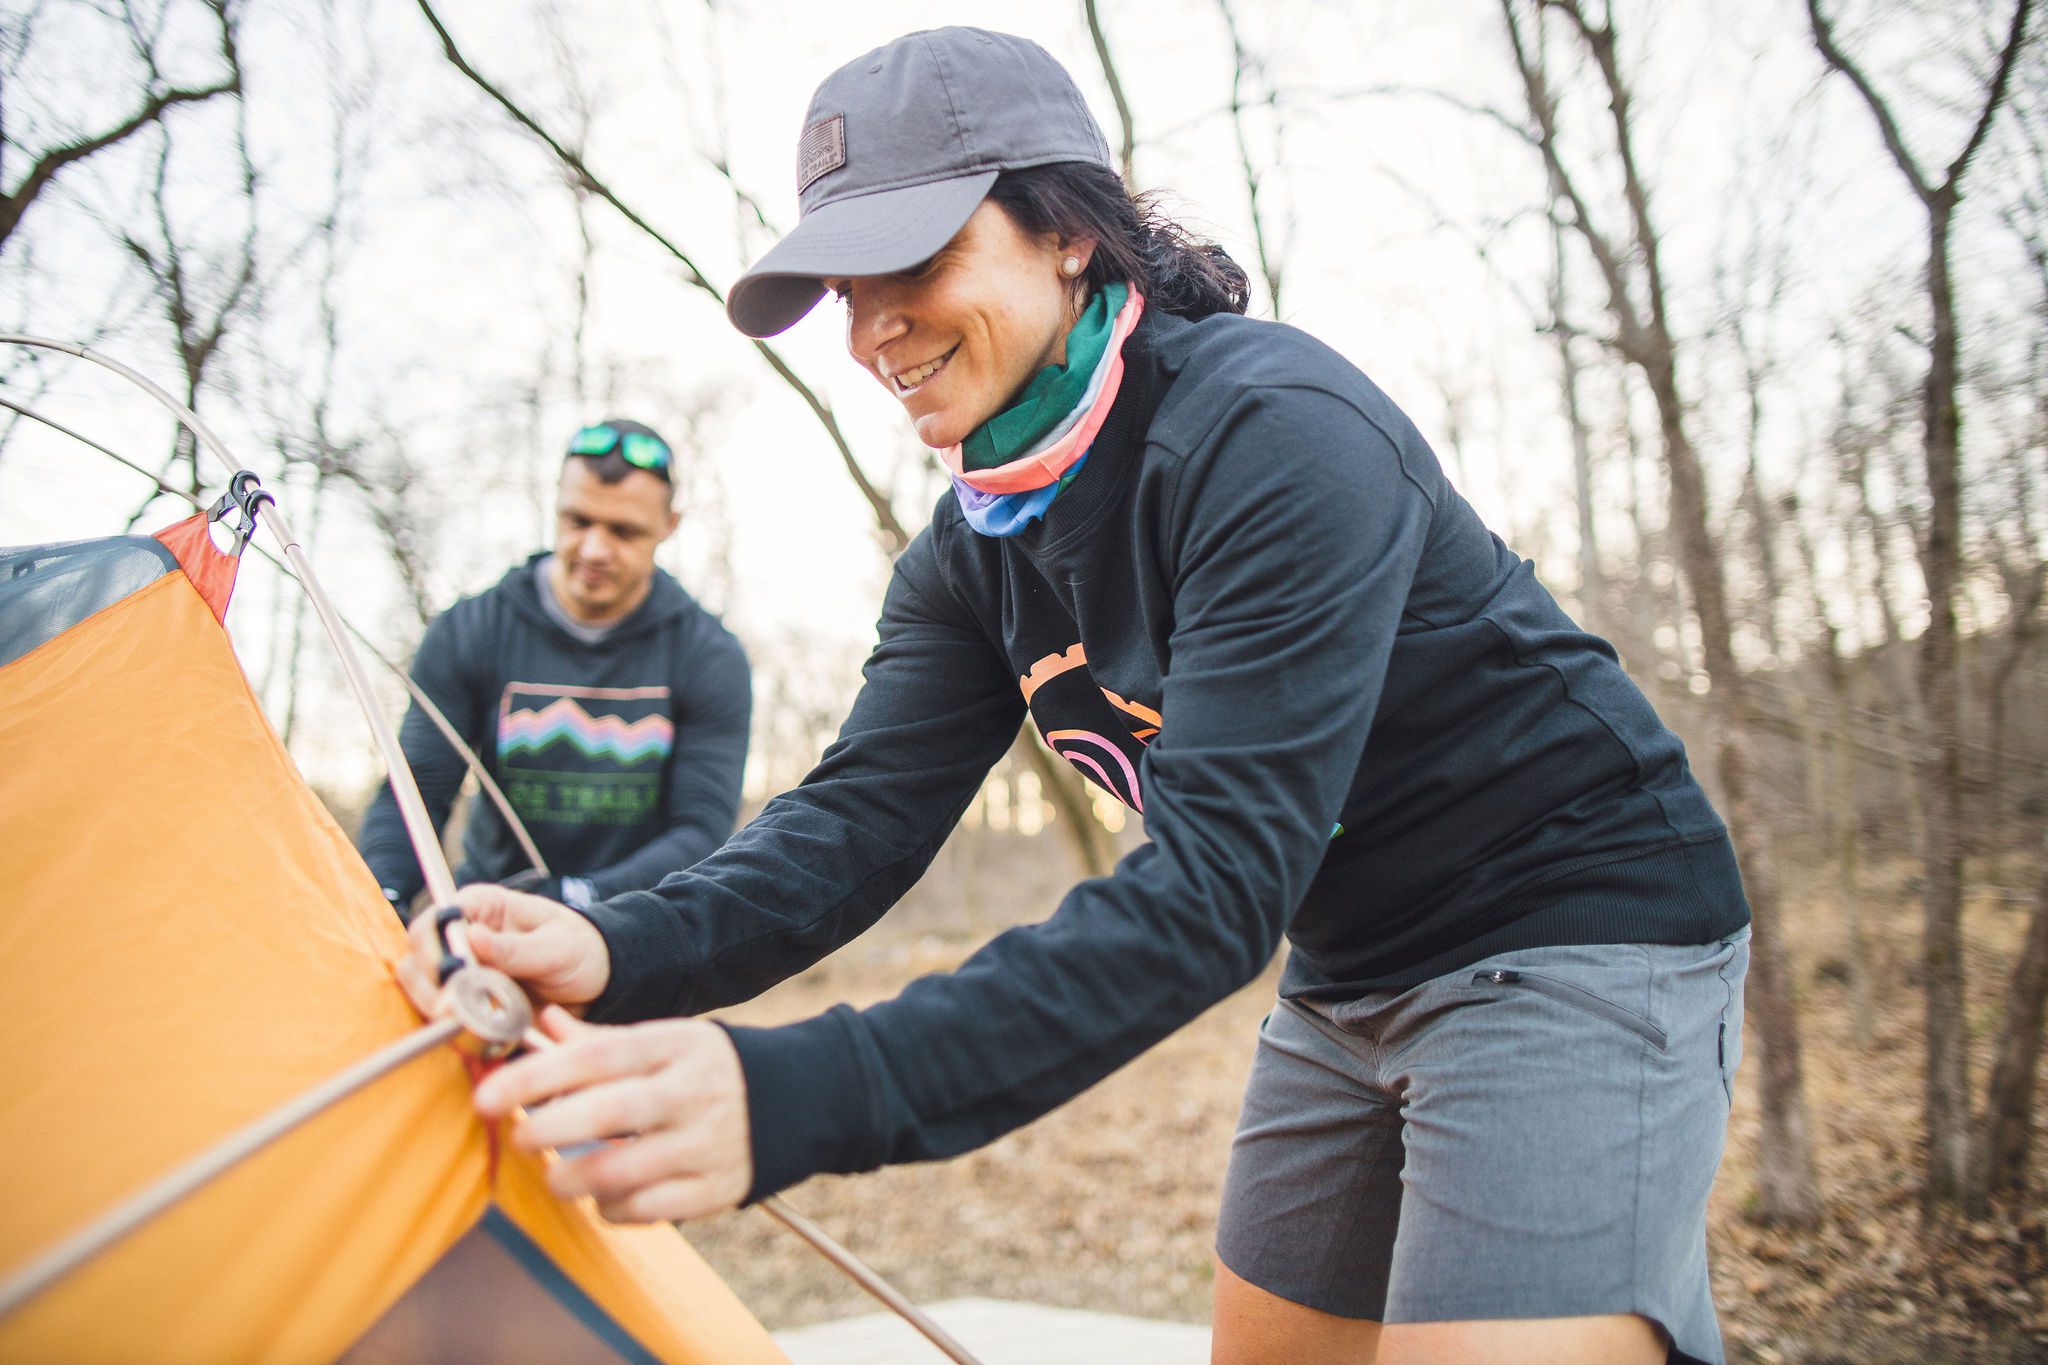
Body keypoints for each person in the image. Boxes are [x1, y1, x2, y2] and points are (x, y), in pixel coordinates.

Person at [404, 29, 1750, 1365]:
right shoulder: (972, 547)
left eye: (912, 262)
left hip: (1576, 922)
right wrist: (616, 950)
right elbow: (856, 822)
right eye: (843, 290)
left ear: (1067, 232)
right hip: (1350, 972)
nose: (869, 332)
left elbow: (1215, 886)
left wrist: (795, 1093)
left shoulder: (1272, 432)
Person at [361, 418, 751, 918]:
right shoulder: (470, 629)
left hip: (637, 925)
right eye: (577, 521)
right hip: (490, 915)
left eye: (624, 531)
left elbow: (700, 832)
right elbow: (416, 791)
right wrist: (383, 899)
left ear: (669, 525)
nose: (594, 549)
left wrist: (572, 899)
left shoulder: (708, 654)